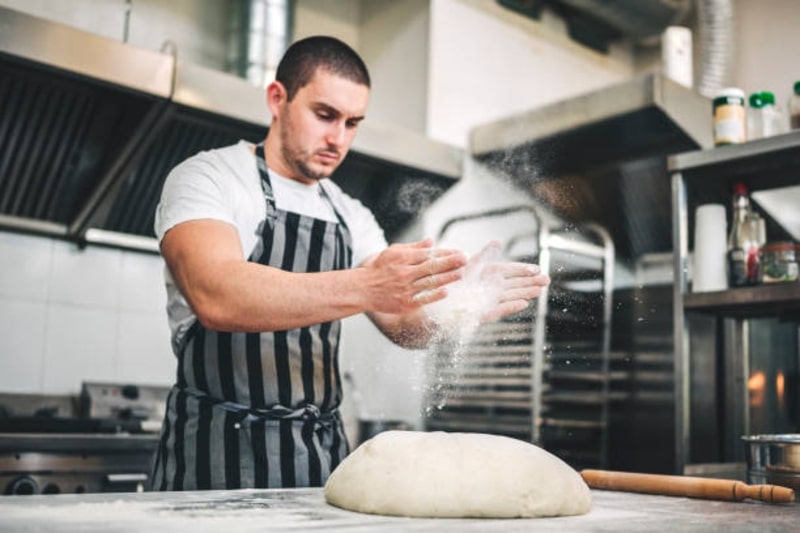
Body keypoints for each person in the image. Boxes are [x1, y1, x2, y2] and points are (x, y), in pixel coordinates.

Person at [150, 35, 550, 491]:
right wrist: (367, 286)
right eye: (325, 115)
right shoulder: (211, 178)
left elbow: (405, 325)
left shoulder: (349, 213)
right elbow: (217, 295)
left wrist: (457, 307)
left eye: (353, 122)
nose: (338, 138)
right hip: (216, 458)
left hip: (319, 462)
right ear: (277, 98)